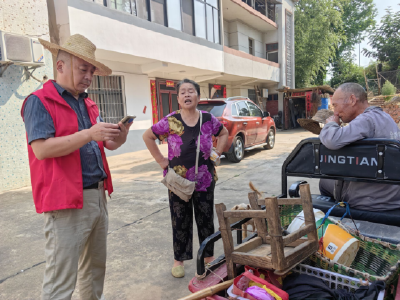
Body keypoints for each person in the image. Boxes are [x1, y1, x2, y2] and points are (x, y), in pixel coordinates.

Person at [21, 34, 132, 300]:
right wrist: (88, 134)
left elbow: (106, 144)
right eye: (84, 69)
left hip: (97, 195)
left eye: (91, 72)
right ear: (61, 66)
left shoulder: (88, 103)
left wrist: (121, 135)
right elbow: (42, 149)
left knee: (94, 270)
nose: (88, 77)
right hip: (65, 201)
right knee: (61, 278)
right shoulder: (39, 101)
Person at [143, 79, 229, 278]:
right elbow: (148, 136)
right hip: (178, 182)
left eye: (191, 91)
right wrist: (161, 161)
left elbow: (223, 133)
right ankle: (179, 260)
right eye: (183, 92)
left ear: (198, 97)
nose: (187, 95)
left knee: (206, 219)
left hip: (205, 180)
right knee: (180, 220)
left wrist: (217, 152)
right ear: (179, 99)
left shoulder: (208, 119)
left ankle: (208, 258)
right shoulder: (171, 120)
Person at [319, 82, 400, 211]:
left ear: (352, 100)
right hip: (392, 196)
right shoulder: (386, 117)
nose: (335, 111)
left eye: (335, 105)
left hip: (369, 199)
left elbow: (332, 140)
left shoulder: (365, 120)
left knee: (324, 181)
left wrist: (331, 124)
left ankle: (335, 214)